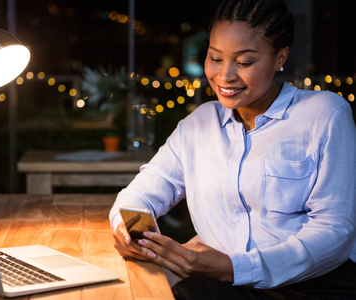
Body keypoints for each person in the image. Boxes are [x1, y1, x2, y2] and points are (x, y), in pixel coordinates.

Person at [109, 0, 356, 299]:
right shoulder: (199, 125)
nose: (225, 76)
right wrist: (128, 229)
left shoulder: (324, 113)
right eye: (215, 58)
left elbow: (336, 231)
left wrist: (234, 267)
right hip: (224, 285)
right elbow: (139, 195)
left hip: (315, 286)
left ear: (281, 57)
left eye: (244, 62)